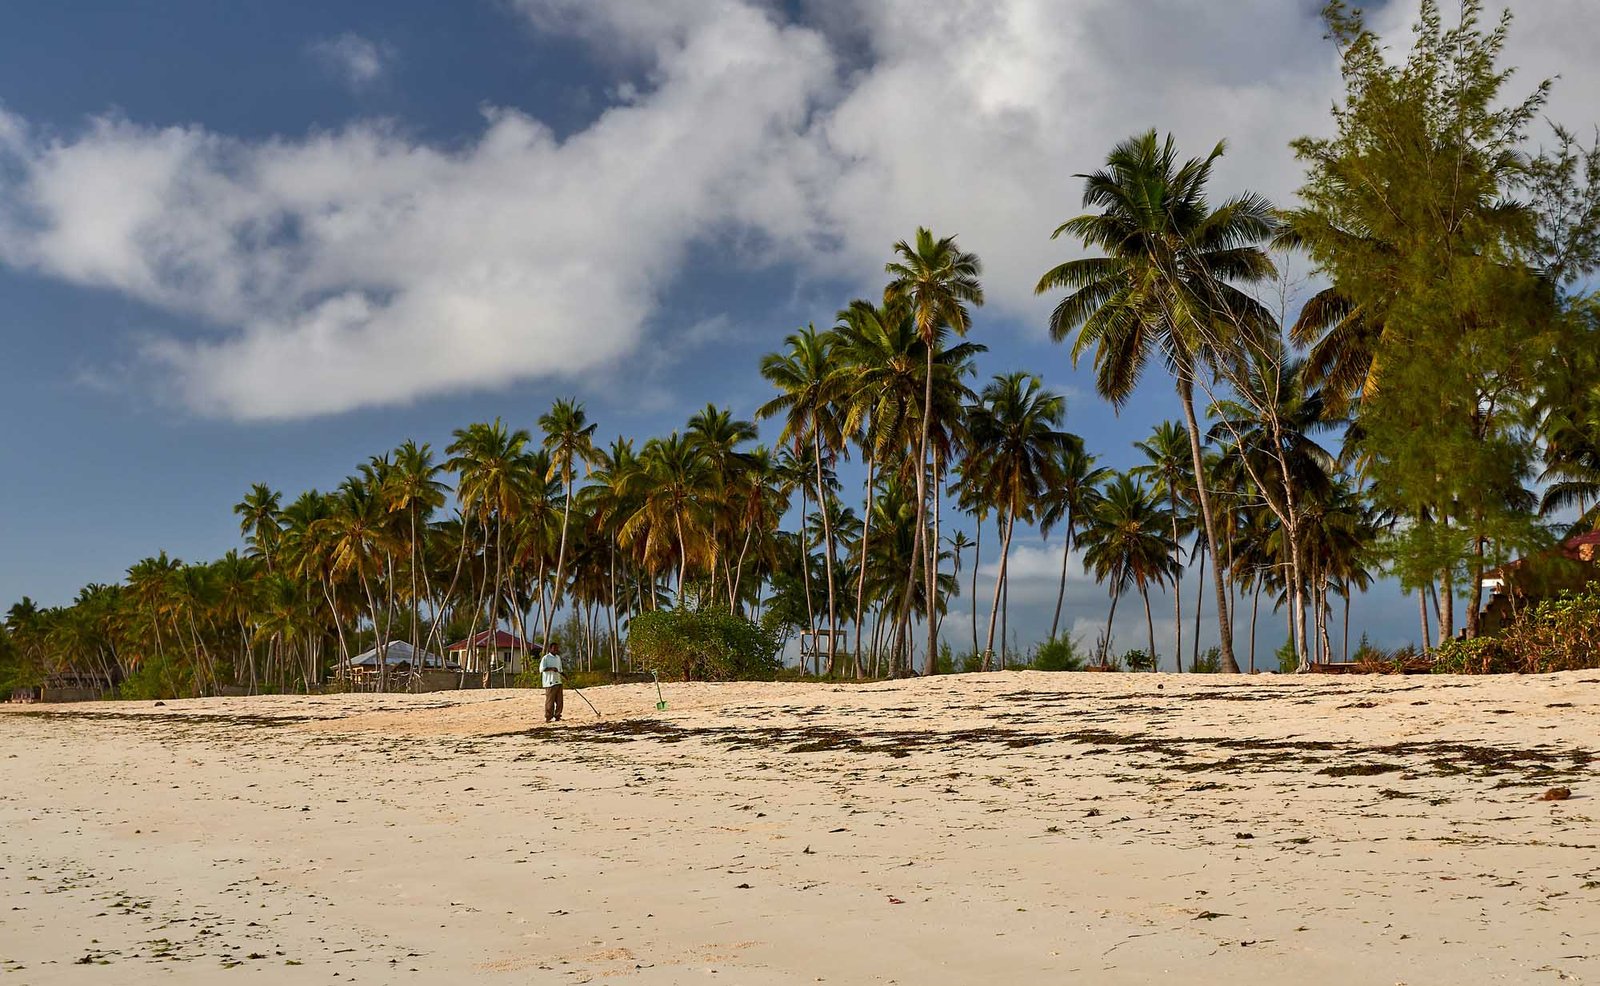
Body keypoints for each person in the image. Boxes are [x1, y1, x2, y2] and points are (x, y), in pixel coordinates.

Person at [539, 644, 564, 723]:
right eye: (554, 648)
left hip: (558, 681)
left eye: (557, 648)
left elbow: (560, 669)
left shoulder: (558, 658)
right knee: (550, 701)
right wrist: (551, 668)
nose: (556, 650)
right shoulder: (546, 658)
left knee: (560, 701)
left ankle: (558, 716)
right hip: (549, 683)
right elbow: (542, 669)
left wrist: (565, 675)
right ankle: (548, 717)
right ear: (550, 649)